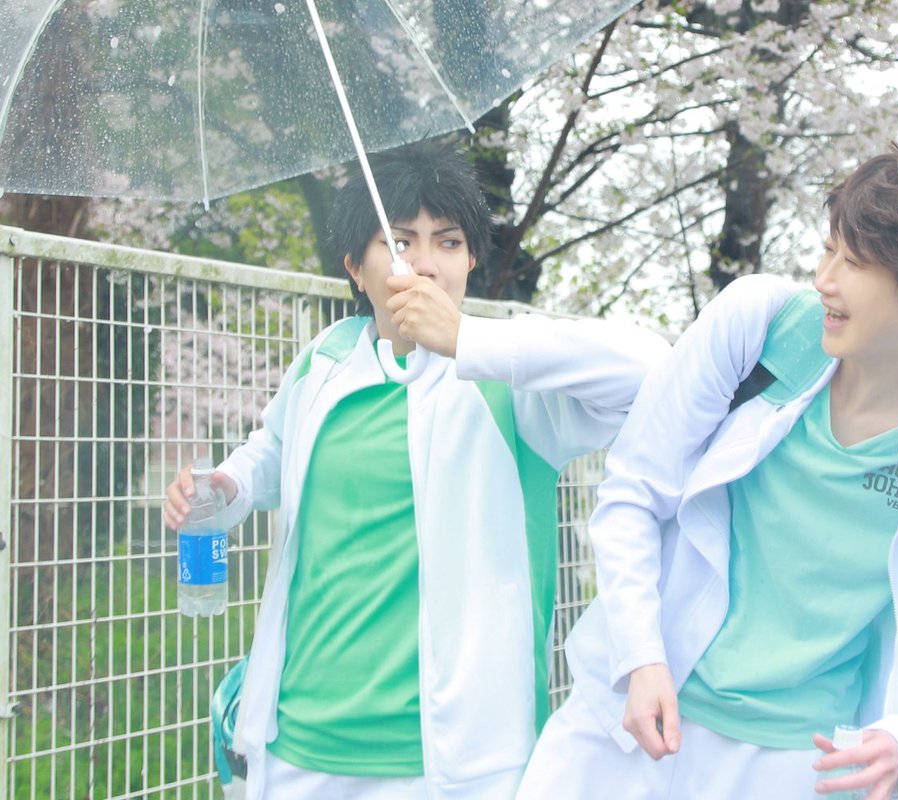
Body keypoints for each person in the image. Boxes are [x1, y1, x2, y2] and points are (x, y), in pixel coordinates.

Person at [516, 135, 898, 800]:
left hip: (798, 763)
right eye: (829, 250)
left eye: (855, 264)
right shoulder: (761, 326)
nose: (825, 280)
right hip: (635, 715)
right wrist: (641, 655)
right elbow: (633, 491)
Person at [162, 140, 669, 800]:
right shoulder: (325, 360)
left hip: (455, 766)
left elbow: (654, 373)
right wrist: (224, 486)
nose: (426, 264)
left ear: (471, 260)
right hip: (299, 745)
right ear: (355, 267)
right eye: (400, 242)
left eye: (449, 242)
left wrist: (467, 340)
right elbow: (273, 451)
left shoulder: (508, 387)